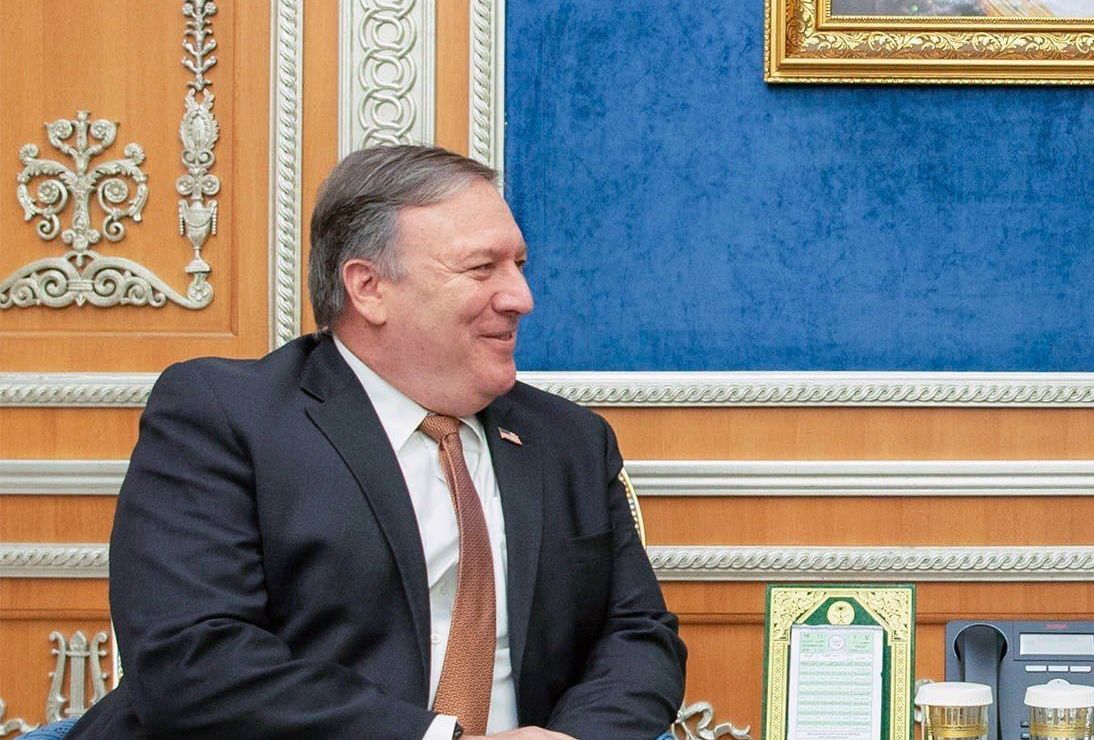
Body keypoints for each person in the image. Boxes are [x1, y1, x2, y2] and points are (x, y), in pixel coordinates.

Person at [67, 145, 687, 740]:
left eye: (518, 266)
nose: (521, 298)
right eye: (482, 268)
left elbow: (638, 636)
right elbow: (192, 661)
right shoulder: (225, 417)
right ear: (368, 287)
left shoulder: (570, 440)